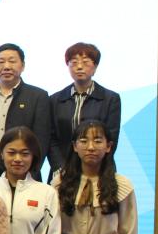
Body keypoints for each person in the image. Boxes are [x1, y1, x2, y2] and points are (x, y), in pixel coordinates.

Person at [0, 44, 51, 180]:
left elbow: (42, 138)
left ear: (23, 66)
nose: (6, 66)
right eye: (1, 62)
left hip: (24, 166)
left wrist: (33, 169)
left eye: (12, 61)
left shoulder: (38, 96)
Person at [48, 43, 121, 180]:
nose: (79, 67)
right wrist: (60, 167)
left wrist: (94, 166)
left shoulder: (110, 99)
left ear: (95, 67)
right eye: (74, 62)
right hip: (63, 171)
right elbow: (51, 138)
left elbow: (111, 138)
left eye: (86, 62)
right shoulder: (55, 99)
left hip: (99, 169)